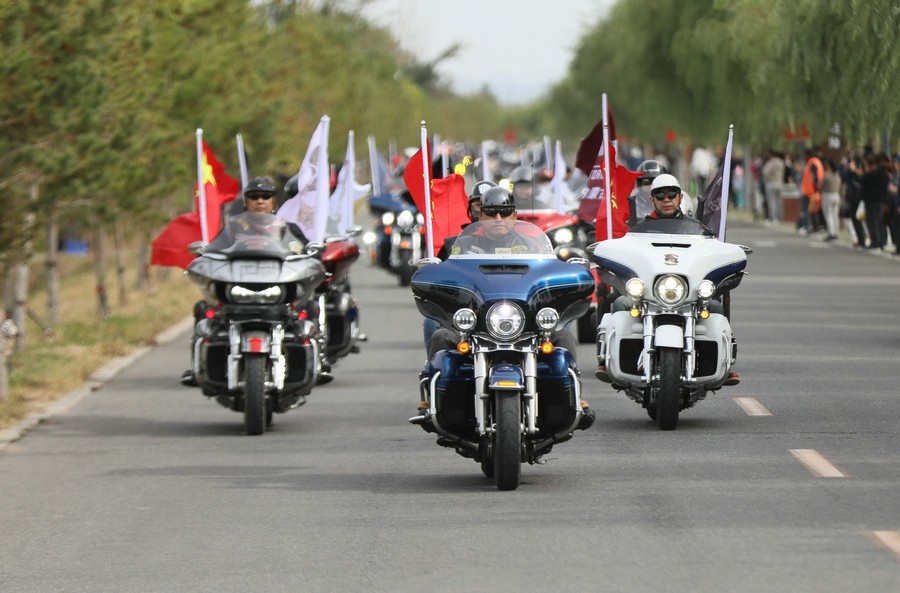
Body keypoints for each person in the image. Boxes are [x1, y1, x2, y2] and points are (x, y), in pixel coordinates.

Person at [596, 173, 740, 386]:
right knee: (619, 304)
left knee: (716, 307)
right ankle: (607, 360)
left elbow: (710, 252)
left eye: (672, 194)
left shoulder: (698, 230)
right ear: (652, 199)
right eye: (660, 195)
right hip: (647, 294)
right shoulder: (637, 230)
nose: (666, 200)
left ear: (680, 197)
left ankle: (724, 364)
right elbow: (625, 251)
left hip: (687, 294)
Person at [180, 177, 309, 386]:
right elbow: (215, 248)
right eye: (254, 196)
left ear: (273, 201)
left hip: (276, 289)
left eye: (265, 196)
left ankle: (316, 359)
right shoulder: (233, 227)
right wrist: (205, 254)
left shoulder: (287, 228)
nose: (260, 201)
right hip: (238, 288)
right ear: (245, 201)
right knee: (204, 310)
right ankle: (198, 367)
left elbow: (304, 250)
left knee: (307, 309)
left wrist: (306, 254)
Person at [426, 186, 578, 362]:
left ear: (514, 215)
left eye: (504, 212)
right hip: (474, 321)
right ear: (480, 216)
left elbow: (546, 275)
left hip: (526, 320)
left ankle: (567, 376)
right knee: (441, 336)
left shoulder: (532, 245)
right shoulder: (462, 246)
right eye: (491, 213)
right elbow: (451, 275)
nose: (498, 219)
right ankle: (435, 376)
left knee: (564, 335)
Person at [819, 159, 842, 242]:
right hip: (836, 195)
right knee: (835, 215)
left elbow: (820, 185)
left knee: (828, 215)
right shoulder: (837, 174)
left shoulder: (827, 174)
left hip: (827, 195)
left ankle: (831, 233)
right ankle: (836, 232)